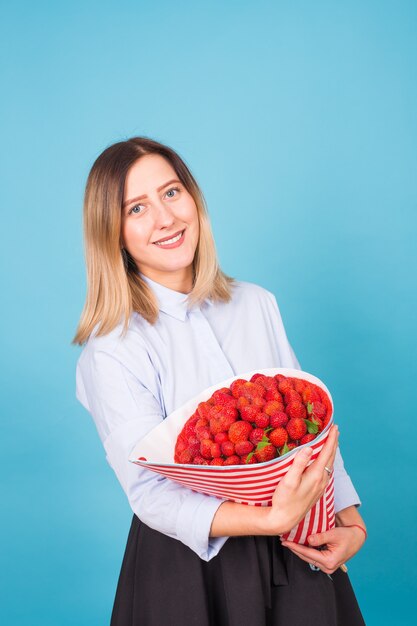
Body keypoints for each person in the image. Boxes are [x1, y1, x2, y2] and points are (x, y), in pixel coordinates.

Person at [72, 136, 367, 625]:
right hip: (188, 567)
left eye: (171, 193)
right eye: (137, 208)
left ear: (193, 199)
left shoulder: (257, 303)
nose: (165, 219)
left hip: (298, 546)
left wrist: (349, 521)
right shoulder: (113, 348)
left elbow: (310, 430)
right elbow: (150, 492)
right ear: (113, 233)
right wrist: (269, 518)